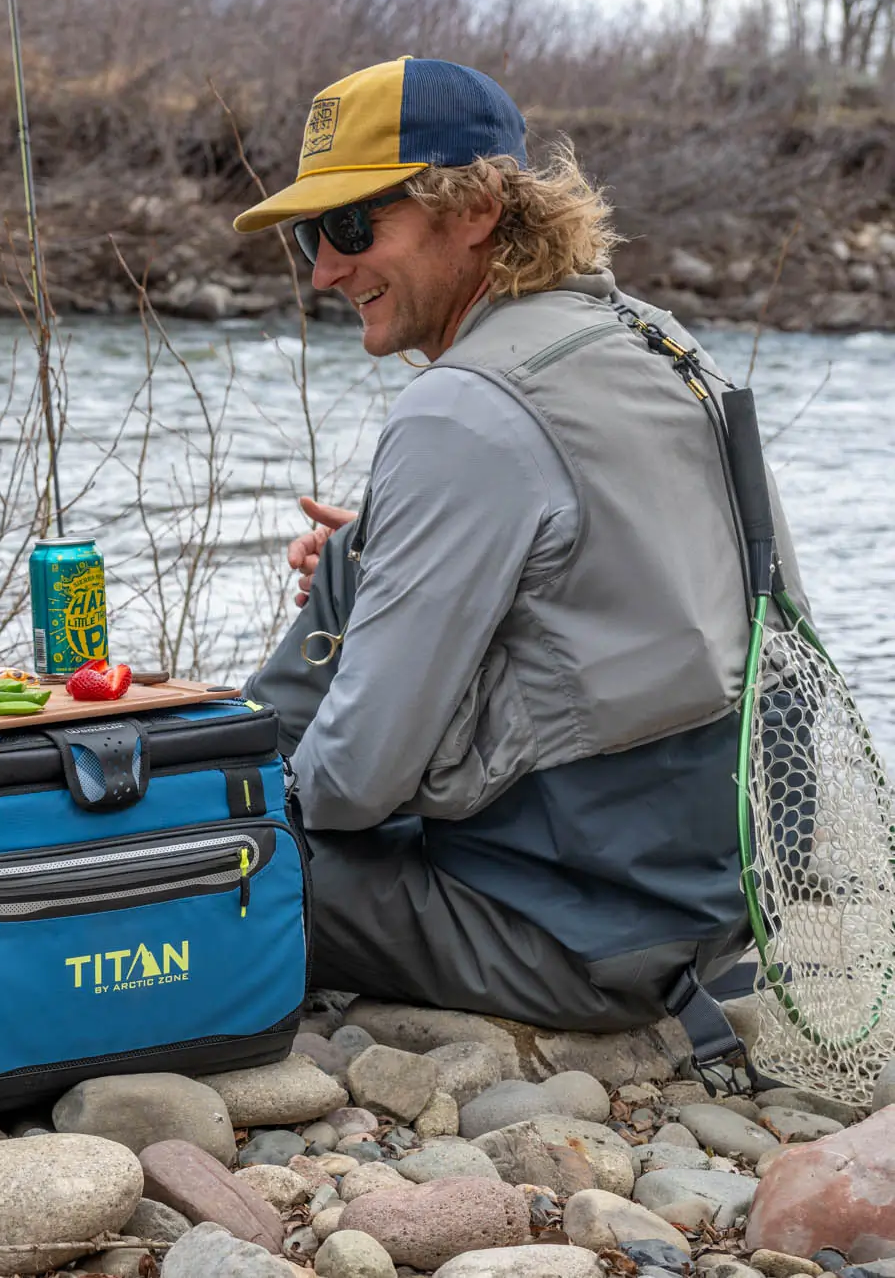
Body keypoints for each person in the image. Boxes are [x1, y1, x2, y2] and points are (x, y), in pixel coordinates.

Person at [236, 58, 804, 1041]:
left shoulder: (461, 409)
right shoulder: (658, 340)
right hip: (726, 900)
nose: (324, 268)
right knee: (355, 560)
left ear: (474, 210)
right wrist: (388, 557)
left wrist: (254, 806)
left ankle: (213, 798)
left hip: (580, 934)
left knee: (213, 861)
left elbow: (349, 786)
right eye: (308, 234)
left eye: (352, 227)